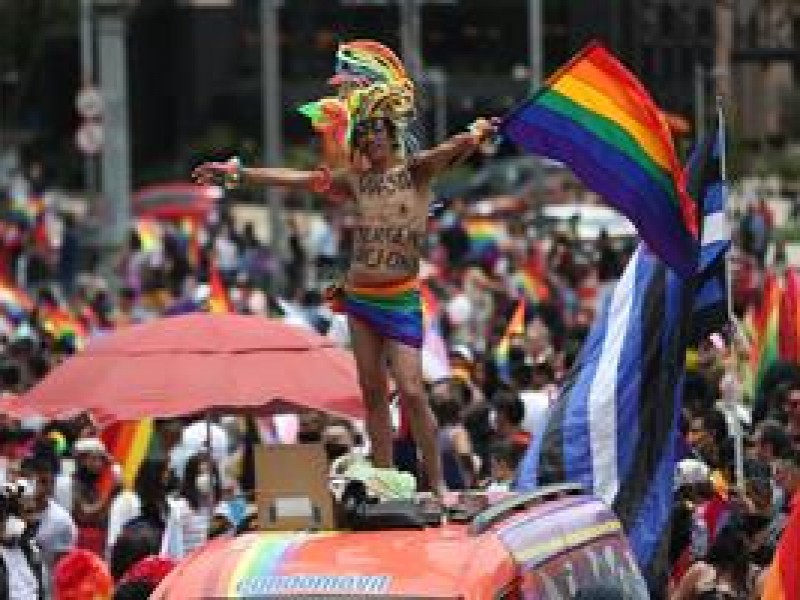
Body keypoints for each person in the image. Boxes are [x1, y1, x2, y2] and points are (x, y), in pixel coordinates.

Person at [193, 41, 497, 495]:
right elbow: (297, 179)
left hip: (402, 297)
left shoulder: (415, 173)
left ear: (391, 132)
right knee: (373, 395)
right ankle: (385, 482)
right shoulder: (356, 181)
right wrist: (238, 174)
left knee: (413, 392)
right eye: (364, 132)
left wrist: (476, 133)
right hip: (361, 298)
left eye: (378, 130)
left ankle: (438, 486)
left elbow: (451, 148)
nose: (371, 139)